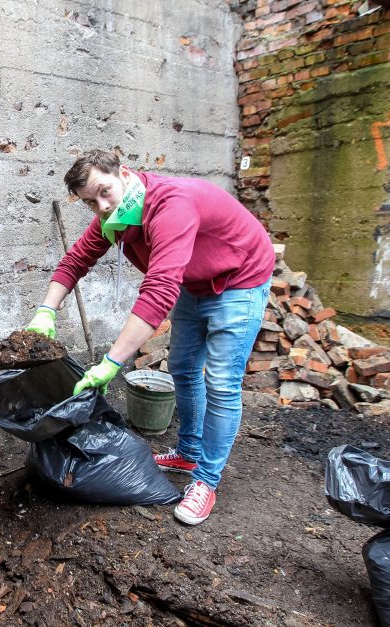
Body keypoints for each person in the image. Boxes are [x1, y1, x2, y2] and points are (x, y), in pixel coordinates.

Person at [25, 149, 273, 525]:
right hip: (196, 282)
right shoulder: (118, 217)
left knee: (222, 383)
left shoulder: (170, 206)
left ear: (123, 173)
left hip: (239, 280)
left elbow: (158, 293)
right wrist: (45, 310)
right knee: (184, 369)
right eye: (91, 202)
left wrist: (111, 363)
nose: (102, 207)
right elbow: (75, 261)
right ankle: (189, 451)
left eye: (105, 192)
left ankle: (205, 480)